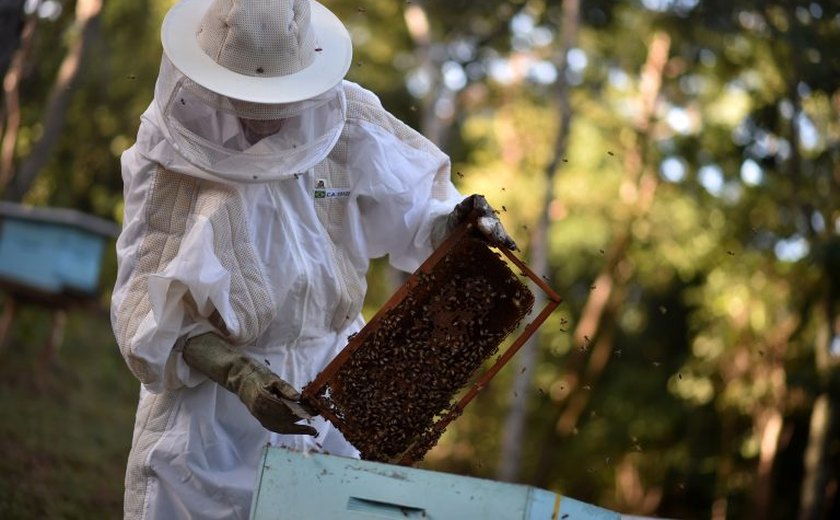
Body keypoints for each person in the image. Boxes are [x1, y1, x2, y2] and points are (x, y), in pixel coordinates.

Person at [111, 0, 516, 518]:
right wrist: (239, 374)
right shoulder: (165, 153)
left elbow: (417, 210)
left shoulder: (347, 119)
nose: (262, 119)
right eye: (245, 99)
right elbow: (143, 309)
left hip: (342, 384)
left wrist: (460, 223)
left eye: (275, 99)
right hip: (214, 421)